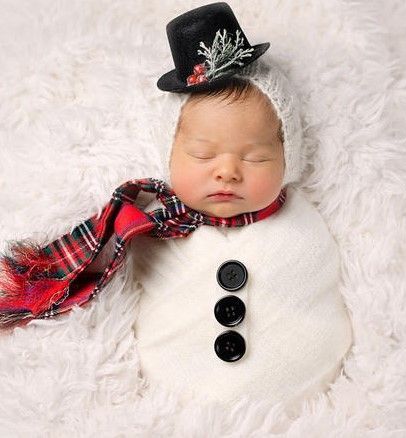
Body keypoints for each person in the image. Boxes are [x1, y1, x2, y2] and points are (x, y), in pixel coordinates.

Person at [131, 2, 353, 418]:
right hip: (172, 409)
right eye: (202, 154)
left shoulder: (303, 227)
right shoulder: (156, 227)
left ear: (290, 158)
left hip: (308, 410)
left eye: (254, 158)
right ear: (168, 155)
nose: (228, 172)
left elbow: (317, 294)